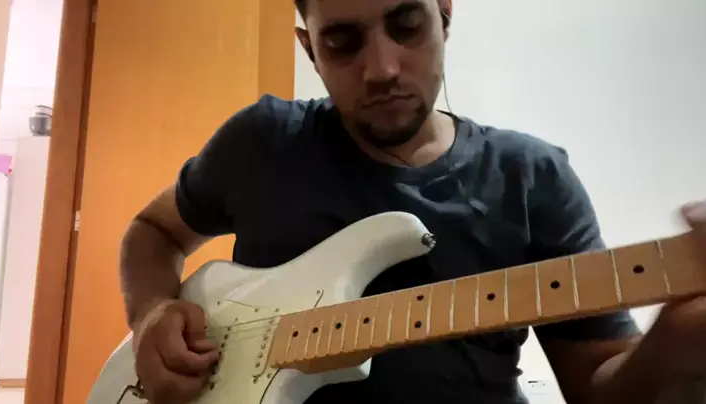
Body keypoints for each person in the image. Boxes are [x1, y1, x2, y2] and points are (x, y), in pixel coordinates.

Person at [120, 0, 706, 403]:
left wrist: (676, 340)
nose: (382, 68)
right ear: (309, 49)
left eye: (406, 25)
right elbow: (154, 230)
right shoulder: (262, 142)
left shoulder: (533, 178)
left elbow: (597, 388)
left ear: (444, 14)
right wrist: (150, 313)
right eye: (342, 42)